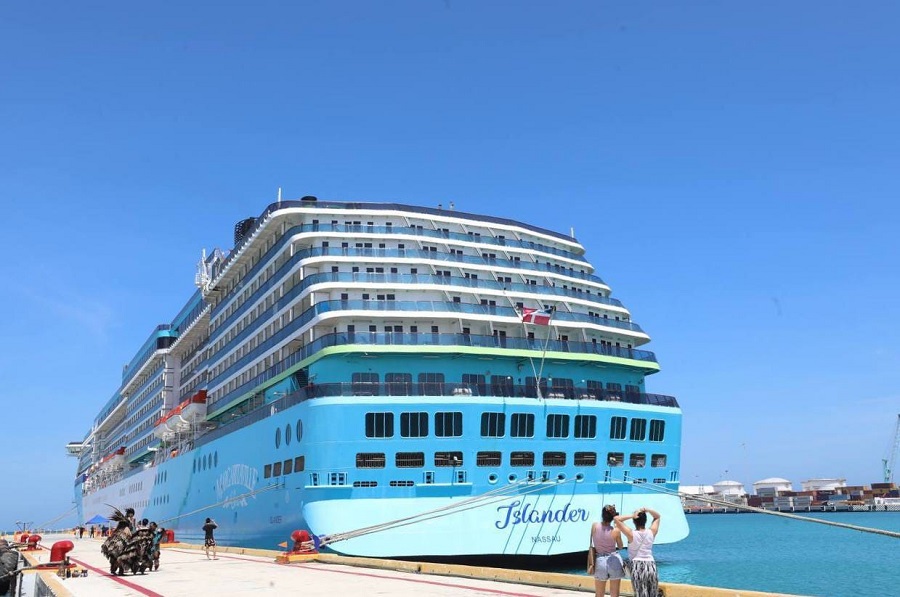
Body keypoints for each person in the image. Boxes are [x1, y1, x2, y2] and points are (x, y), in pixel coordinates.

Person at [614, 507, 661, 597]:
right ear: (645, 520)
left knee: (640, 594)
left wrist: (632, 515)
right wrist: (648, 509)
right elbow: (657, 517)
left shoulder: (631, 534)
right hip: (651, 565)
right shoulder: (651, 532)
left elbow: (616, 519)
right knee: (653, 594)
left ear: (634, 521)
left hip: (637, 565)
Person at [591, 504, 625, 597]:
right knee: (614, 593)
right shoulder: (616, 530)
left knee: (599, 594)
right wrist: (616, 526)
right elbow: (621, 546)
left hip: (600, 560)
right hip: (614, 559)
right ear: (613, 517)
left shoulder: (594, 526)